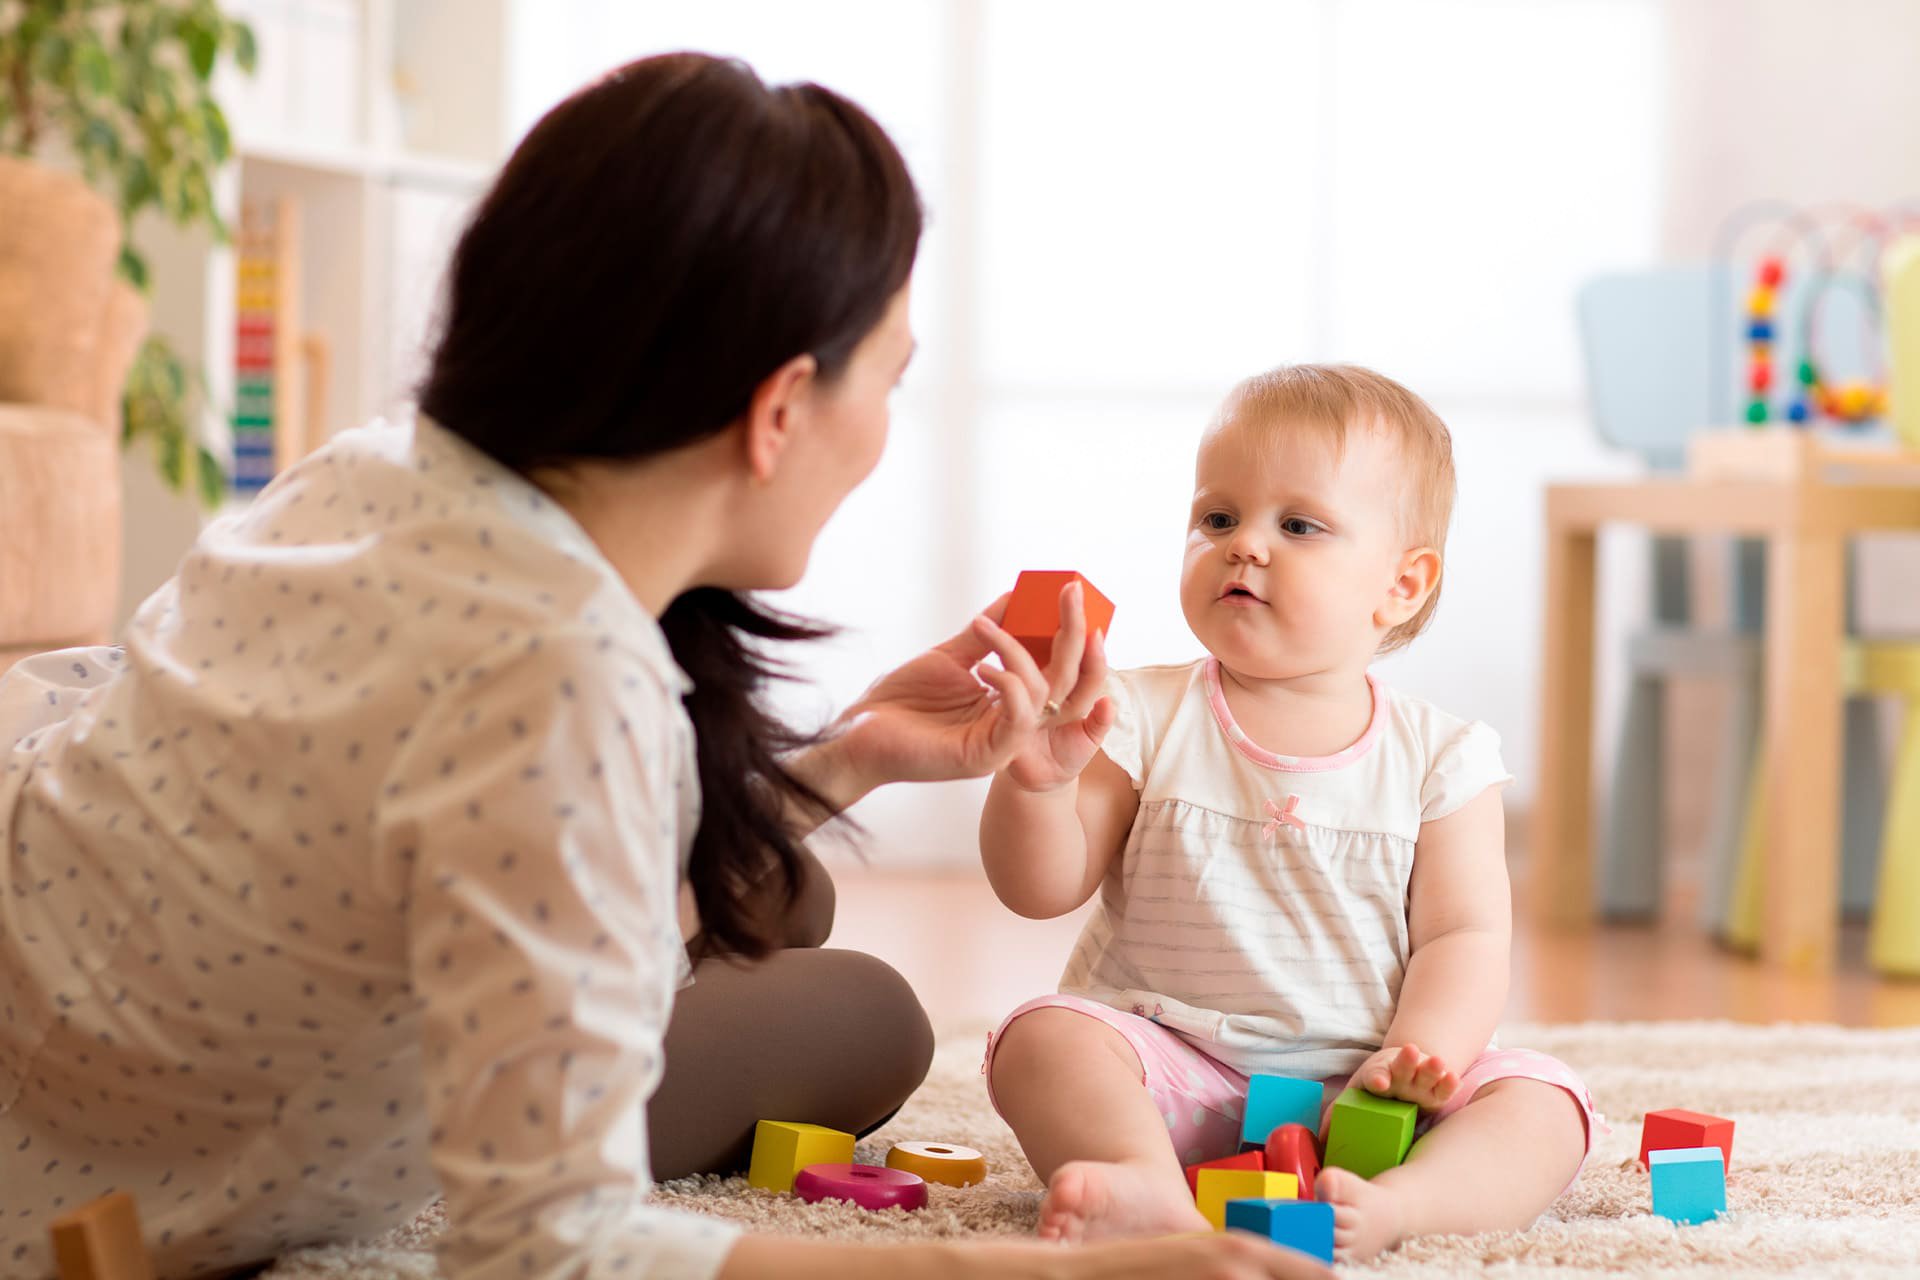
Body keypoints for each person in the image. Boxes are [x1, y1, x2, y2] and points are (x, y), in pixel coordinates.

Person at [0, 53, 1327, 1280]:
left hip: (69, 952)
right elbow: (552, 1246)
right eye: (888, 381)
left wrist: (859, 751)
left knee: (787, 896)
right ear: (779, 410)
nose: (881, 436)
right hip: (112, 1173)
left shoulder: (389, 465)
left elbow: (504, 817)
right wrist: (1036, 1274)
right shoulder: (561, 683)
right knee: (862, 1013)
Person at [978, 364, 1606, 1262]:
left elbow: (1464, 938)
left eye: (1299, 525)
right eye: (1217, 518)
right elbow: (1040, 889)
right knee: (1043, 1038)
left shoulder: (1443, 755)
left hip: (1369, 1088)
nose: (1245, 546)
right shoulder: (1141, 713)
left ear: (1403, 584)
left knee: (1547, 1104)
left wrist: (1423, 1054)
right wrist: (1034, 784)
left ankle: (1402, 1206)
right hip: (1177, 1071)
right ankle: (1140, 1177)